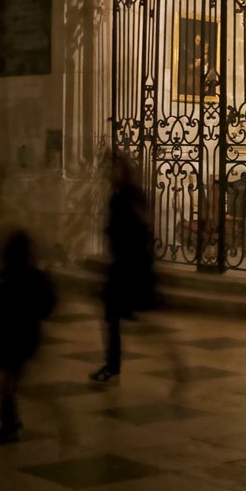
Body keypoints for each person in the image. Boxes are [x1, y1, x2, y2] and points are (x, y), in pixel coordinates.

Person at [91, 151, 160, 386]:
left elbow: (140, 229)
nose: (108, 173)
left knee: (143, 327)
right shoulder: (119, 195)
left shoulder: (130, 195)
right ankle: (112, 365)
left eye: (112, 168)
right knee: (114, 320)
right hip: (122, 266)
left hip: (130, 267)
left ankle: (177, 365)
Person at [0, 230, 57, 443]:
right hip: (26, 336)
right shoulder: (34, 275)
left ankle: (9, 422)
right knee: (10, 381)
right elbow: (49, 304)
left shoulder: (7, 276)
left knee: (5, 382)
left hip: (8, 338)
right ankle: (10, 420)